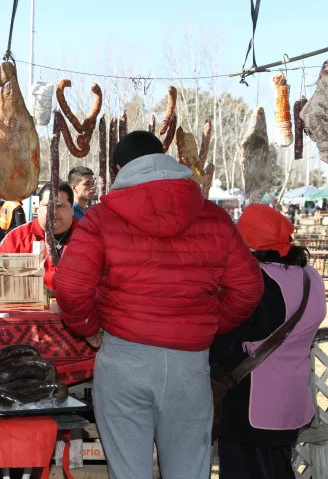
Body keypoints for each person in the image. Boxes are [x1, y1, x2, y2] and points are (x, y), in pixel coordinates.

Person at [54, 131, 264, 479]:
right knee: (188, 471)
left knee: (129, 471)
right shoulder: (213, 217)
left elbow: (71, 287)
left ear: (120, 168)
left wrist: (90, 330)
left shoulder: (102, 217)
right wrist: (206, 324)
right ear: (164, 158)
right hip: (189, 364)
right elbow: (248, 290)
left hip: (124, 358)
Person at [210, 205, 325, 479]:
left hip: (249, 400)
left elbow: (229, 340)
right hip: (292, 398)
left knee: (244, 470)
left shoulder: (255, 280)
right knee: (277, 469)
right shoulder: (312, 276)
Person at [0, 182, 76, 292]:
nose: (53, 212)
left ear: (72, 209)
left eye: (59, 206)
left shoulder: (89, 238)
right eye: (48, 206)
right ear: (39, 208)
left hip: (79, 307)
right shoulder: (17, 238)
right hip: (29, 307)